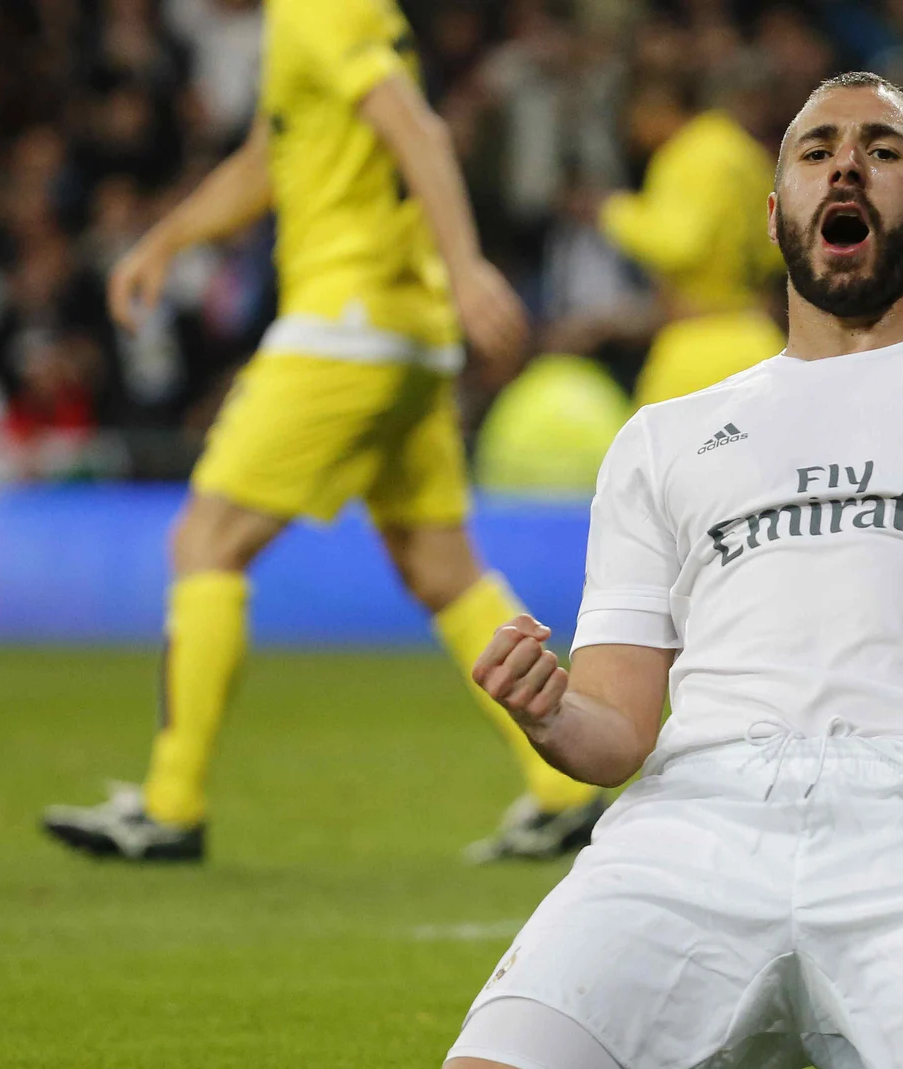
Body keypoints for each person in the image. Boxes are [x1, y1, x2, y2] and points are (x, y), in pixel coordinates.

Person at [445, 72, 903, 1069]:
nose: (846, 165)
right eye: (816, 152)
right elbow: (615, 735)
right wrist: (549, 713)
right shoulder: (662, 439)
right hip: (686, 836)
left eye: (883, 148)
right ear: (775, 210)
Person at [41, 0, 606, 863]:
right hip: (406, 334)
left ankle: (170, 804)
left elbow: (416, 128)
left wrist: (466, 266)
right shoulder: (331, 16)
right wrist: (167, 239)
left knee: (206, 542)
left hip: (344, 326)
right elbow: (273, 154)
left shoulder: (317, 5)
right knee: (442, 568)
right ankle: (565, 784)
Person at [597, 78, 786, 407]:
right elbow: (777, 250)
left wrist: (616, 212)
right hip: (759, 336)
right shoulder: (744, 150)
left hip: (697, 344)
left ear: (654, 108)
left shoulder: (688, 153)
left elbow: (680, 244)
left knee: (660, 453)